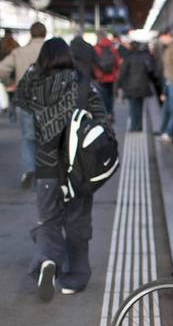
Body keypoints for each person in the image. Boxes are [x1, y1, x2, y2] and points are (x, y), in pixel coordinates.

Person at [15, 38, 109, 301]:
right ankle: (75, 278)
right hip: (79, 167)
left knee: (48, 220)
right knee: (77, 222)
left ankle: (48, 260)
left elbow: (21, 107)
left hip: (46, 169)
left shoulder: (33, 85)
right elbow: (101, 120)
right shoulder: (81, 84)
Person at [0, 22, 47, 188]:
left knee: (28, 137)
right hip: (47, 100)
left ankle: (29, 169)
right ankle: (44, 171)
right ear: (45, 33)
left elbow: (1, 70)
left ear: (31, 34)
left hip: (26, 100)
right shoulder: (50, 51)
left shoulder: (19, 52)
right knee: (46, 136)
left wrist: (9, 82)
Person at [117, 41, 161, 131]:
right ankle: (139, 126)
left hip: (130, 87)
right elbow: (151, 70)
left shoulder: (128, 58)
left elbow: (122, 73)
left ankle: (134, 127)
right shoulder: (145, 57)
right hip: (143, 86)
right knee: (140, 107)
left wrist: (119, 85)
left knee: (133, 107)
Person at [93, 30, 120, 122]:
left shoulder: (96, 48)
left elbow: (94, 64)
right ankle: (111, 114)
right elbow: (117, 62)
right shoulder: (112, 48)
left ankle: (105, 115)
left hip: (101, 78)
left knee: (103, 97)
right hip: (112, 78)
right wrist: (115, 73)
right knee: (110, 97)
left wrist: (97, 74)